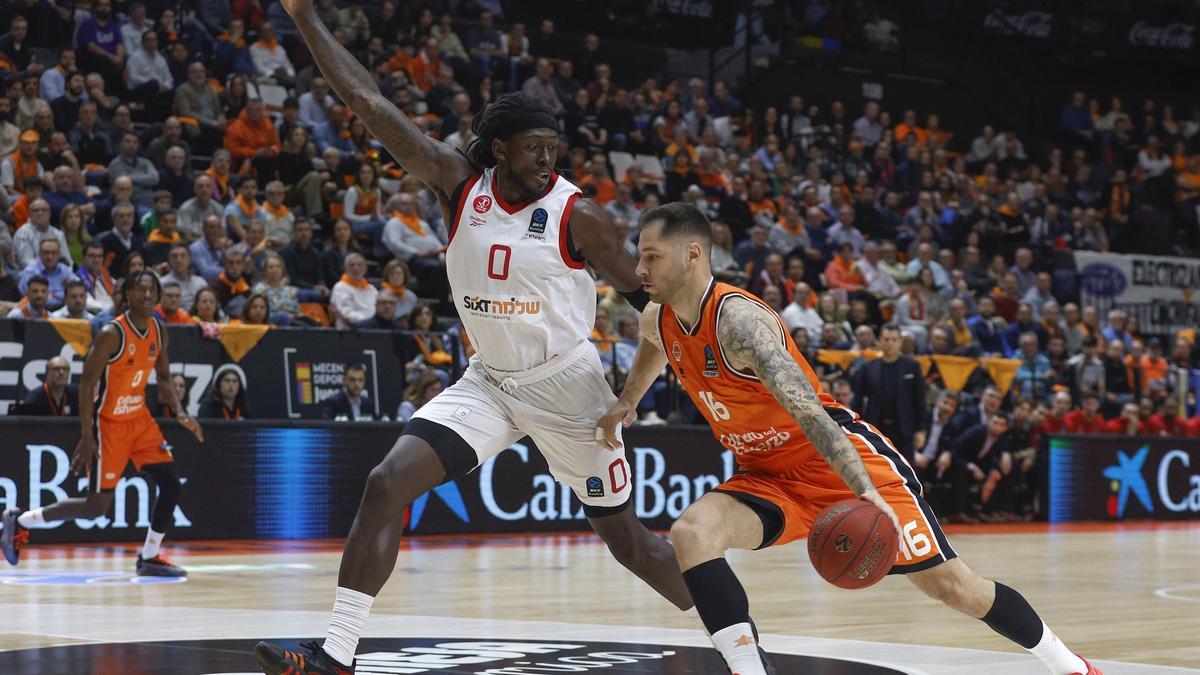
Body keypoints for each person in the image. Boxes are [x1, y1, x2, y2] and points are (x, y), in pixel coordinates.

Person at [255, 5, 690, 673]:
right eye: (534, 147)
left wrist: (632, 394)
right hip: (490, 381)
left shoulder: (580, 216)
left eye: (554, 147)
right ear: (498, 150)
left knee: (632, 544)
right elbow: (366, 99)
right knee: (385, 480)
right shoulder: (458, 187)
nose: (547, 159)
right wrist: (304, 15)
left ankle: (735, 625)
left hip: (571, 391)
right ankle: (335, 654)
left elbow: (660, 311)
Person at [596, 202, 1100, 675]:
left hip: (839, 460)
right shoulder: (656, 317)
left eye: (650, 256)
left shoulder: (741, 323)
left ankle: (1069, 665)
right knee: (691, 533)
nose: (638, 269)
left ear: (692, 254)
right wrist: (628, 399)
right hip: (768, 476)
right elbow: (654, 344)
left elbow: (812, 414)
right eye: (639, 256)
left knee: (954, 586)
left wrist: (866, 491)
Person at [2, 272, 204, 578]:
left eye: (153, 290)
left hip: (140, 420)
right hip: (108, 424)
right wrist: (87, 434)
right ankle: (21, 521)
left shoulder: (159, 330)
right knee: (96, 507)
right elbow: (85, 385)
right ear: (127, 295)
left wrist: (180, 411)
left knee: (171, 484)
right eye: (141, 289)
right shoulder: (112, 333)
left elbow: (163, 377)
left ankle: (149, 556)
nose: (148, 295)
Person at [851, 325, 927, 463]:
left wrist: (921, 430)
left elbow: (919, 400)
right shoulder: (869, 367)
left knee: (907, 472)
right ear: (880, 341)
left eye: (894, 339)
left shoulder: (912, 366)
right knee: (878, 470)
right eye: (886, 339)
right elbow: (858, 400)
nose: (890, 343)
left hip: (904, 429)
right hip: (876, 428)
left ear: (900, 342)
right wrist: (856, 428)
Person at [14, 356, 79, 415]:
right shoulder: (36, 397)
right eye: (56, 369)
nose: (61, 372)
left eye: (65, 369)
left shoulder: (76, 393)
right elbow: (23, 423)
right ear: (47, 373)